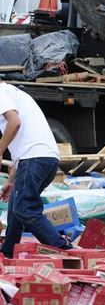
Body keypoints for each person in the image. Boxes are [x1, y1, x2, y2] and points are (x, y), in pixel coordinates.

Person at [0, 82, 73, 258]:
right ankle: (8, 252)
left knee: (25, 208)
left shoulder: (1, 93)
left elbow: (14, 123)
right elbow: (22, 146)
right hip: (43, 158)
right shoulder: (14, 93)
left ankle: (63, 248)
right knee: (16, 208)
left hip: (35, 159)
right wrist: (11, 181)